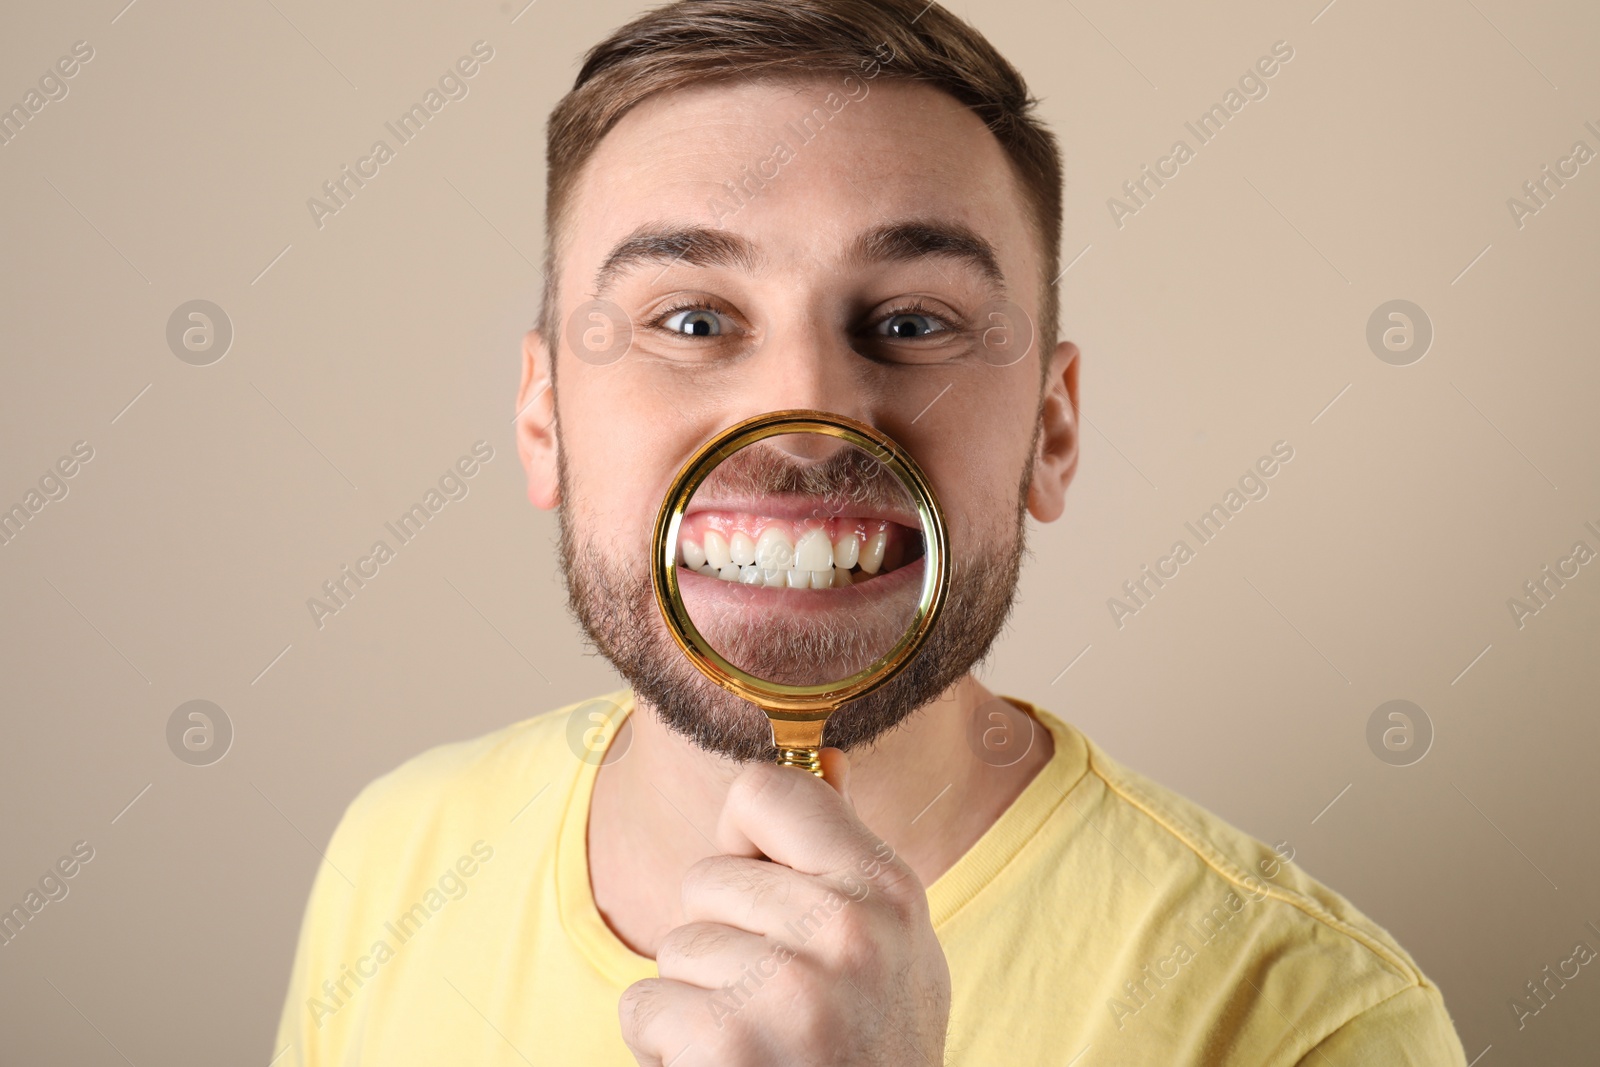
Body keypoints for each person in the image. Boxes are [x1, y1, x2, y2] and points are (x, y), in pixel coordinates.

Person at [274, 1, 1469, 1062]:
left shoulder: (1314, 1025)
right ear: (542, 418)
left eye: (908, 319)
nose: (808, 422)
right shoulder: (398, 858)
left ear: (1052, 432)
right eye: (690, 318)